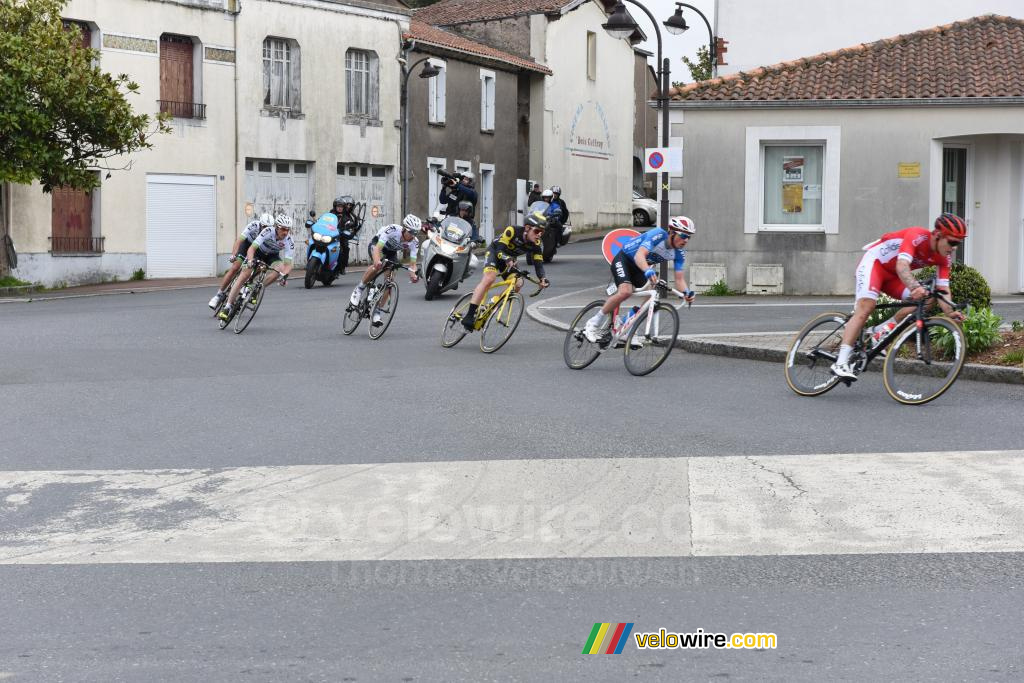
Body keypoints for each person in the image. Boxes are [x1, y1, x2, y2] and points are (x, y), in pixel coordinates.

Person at [829, 213, 968, 380]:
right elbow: (902, 265)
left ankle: (879, 332)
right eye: (952, 242)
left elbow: (943, 287)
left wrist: (950, 311)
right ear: (938, 235)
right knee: (866, 307)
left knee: (928, 300)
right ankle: (841, 362)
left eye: (958, 243)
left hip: (893, 278)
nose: (954, 248)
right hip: (875, 265)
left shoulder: (944, 258)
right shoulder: (917, 236)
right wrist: (915, 286)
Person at [583, 216, 696, 343]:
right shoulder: (658, 235)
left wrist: (687, 292)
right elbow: (639, 255)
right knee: (625, 291)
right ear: (672, 232)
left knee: (652, 295)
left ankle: (627, 323)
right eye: (683, 235)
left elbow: (679, 279)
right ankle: (593, 324)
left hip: (639, 267)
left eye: (689, 237)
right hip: (625, 259)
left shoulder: (679, 253)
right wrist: (647, 270)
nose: (686, 240)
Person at [461, 211, 551, 332]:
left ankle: (495, 302)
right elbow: (499, 250)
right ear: (527, 228)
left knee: (518, 283)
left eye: (542, 232)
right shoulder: (512, 231)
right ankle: (469, 315)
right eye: (536, 231)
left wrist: (542, 278)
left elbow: (538, 265)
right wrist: (507, 259)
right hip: (495, 252)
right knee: (489, 278)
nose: (539, 235)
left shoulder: (537, 244)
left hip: (509, 260)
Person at [217, 214, 295, 321]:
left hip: (272, 255)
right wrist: (249, 261)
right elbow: (251, 249)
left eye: (288, 229)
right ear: (276, 227)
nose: (285, 232)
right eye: (283, 229)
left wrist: (284, 276)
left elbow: (288, 264)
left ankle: (258, 289)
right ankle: (228, 306)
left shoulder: (289, 241)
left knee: (280, 268)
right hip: (259, 252)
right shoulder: (267, 231)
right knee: (245, 274)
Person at [348, 214, 421, 326]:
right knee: (378, 265)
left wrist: (413, 274)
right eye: (411, 232)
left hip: (391, 253)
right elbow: (377, 248)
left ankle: (378, 311)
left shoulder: (414, 242)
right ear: (405, 228)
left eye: (416, 233)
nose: (413, 235)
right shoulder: (393, 230)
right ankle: (359, 289)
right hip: (378, 245)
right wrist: (377, 261)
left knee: (390, 280)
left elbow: (413, 264)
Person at [209, 212, 274, 309]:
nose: (266, 229)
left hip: (257, 250)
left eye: (268, 227)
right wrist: (234, 255)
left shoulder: (271, 232)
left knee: (259, 267)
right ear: (260, 224)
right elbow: (239, 240)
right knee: (235, 267)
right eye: (264, 226)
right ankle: (219, 294)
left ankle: (247, 281)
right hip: (246, 245)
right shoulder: (253, 226)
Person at [331, 195, 360, 274]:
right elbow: (325, 218)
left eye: (350, 205)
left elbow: (351, 224)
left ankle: (342, 266)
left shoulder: (348, 216)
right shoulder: (331, 213)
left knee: (345, 247)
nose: (348, 206)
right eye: (347, 204)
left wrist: (352, 225)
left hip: (341, 235)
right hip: (330, 234)